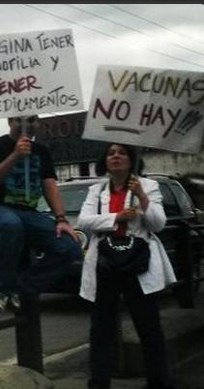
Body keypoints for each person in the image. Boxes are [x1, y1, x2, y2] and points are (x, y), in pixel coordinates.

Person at [77, 143, 176, 389]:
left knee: (148, 325)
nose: (116, 156)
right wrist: (117, 218)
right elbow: (84, 221)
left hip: (138, 262)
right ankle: (99, 382)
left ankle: (159, 381)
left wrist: (142, 196)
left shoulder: (149, 186)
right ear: (105, 160)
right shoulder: (97, 189)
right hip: (105, 263)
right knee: (101, 327)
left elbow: (158, 224)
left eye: (122, 152)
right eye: (111, 153)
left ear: (132, 159)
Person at [0, 114, 81, 313]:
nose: (28, 125)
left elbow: (50, 184)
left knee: (70, 247)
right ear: (9, 122)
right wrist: (15, 155)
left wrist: (61, 219)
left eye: (32, 120)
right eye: (21, 120)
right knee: (11, 224)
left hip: (29, 214)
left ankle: (24, 286)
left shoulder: (41, 151)